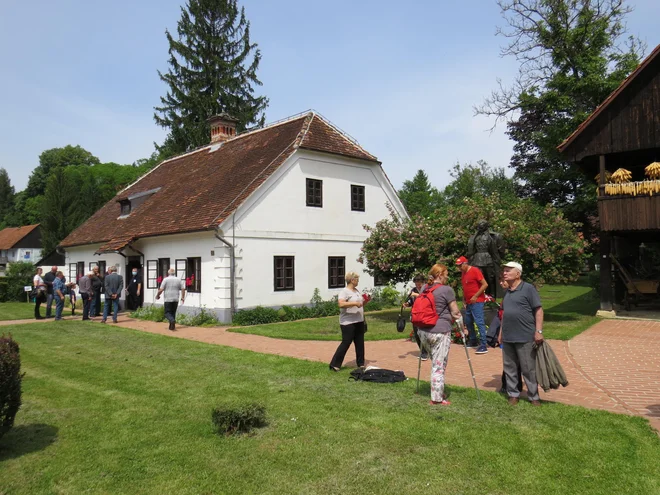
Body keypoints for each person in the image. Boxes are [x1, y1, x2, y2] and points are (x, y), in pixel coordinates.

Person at [416, 264, 466, 406]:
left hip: (423, 331)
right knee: (439, 365)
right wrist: (463, 329)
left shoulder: (425, 288)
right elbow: (455, 312)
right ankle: (437, 398)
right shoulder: (447, 290)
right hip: (440, 331)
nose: (448, 276)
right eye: (446, 274)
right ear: (440, 275)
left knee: (435, 362)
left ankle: (437, 389)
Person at [498, 261, 544, 406]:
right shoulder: (508, 291)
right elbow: (504, 314)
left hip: (525, 335)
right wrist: (500, 333)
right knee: (509, 367)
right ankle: (513, 394)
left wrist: (539, 331)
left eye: (508, 270)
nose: (504, 273)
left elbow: (538, 310)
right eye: (504, 270)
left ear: (517, 274)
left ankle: (533, 396)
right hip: (508, 335)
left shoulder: (528, 289)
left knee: (528, 368)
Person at [329, 271, 366, 371]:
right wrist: (354, 303)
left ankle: (361, 364)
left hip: (359, 320)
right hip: (348, 322)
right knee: (346, 342)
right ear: (352, 280)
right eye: (357, 279)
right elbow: (341, 304)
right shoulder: (344, 292)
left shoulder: (356, 291)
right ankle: (335, 364)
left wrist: (365, 301)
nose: (358, 281)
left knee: (360, 342)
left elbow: (360, 304)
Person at [456, 255, 489, 354]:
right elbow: (464, 287)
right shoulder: (463, 273)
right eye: (458, 266)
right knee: (468, 321)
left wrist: (475, 296)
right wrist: (463, 299)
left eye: (460, 265)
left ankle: (483, 345)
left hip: (477, 301)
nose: (459, 268)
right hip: (469, 302)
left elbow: (485, 284)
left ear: (465, 263)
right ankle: (473, 340)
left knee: (479, 322)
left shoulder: (475, 271)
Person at [403, 274, 428, 360]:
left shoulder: (426, 289)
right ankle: (423, 351)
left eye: (419, 283)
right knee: (417, 333)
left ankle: (426, 352)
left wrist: (417, 295)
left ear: (423, 282)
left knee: (424, 333)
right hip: (415, 314)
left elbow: (427, 298)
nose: (417, 285)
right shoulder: (413, 290)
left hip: (425, 314)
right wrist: (407, 304)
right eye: (416, 283)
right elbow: (411, 301)